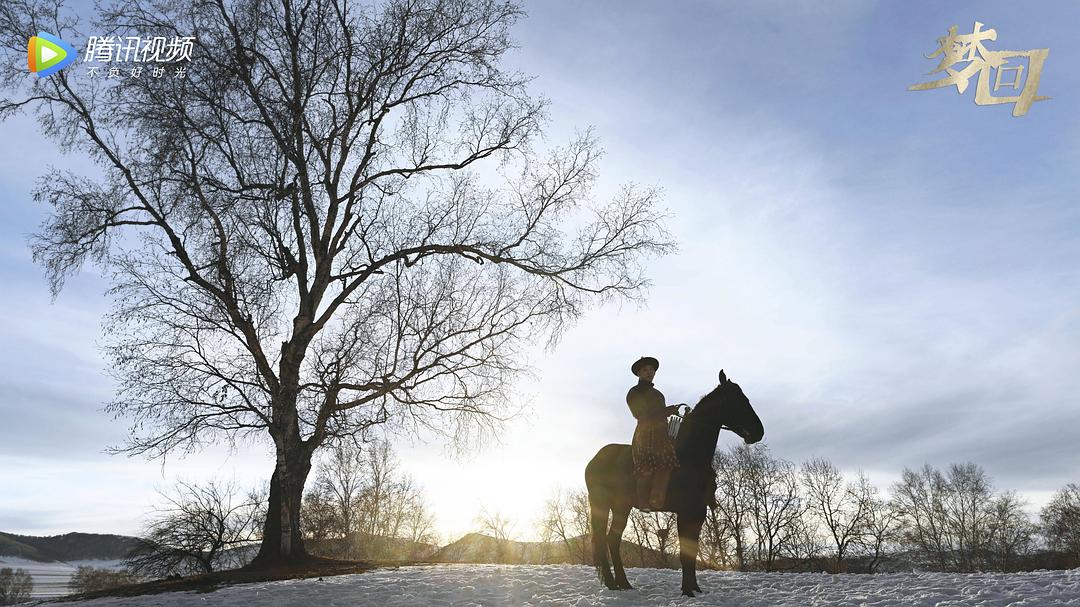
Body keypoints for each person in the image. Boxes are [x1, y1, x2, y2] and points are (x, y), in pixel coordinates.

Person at [626, 356, 682, 511]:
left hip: (661, 434)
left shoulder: (658, 394)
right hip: (644, 435)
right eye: (645, 370)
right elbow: (641, 416)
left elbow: (660, 415)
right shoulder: (634, 392)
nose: (649, 372)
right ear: (639, 373)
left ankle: (657, 498)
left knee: (668, 463)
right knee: (645, 466)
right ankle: (642, 501)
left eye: (651, 369)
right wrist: (667, 411)